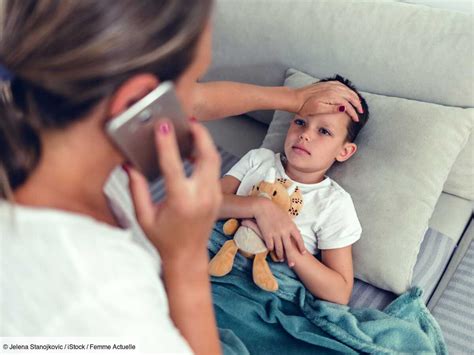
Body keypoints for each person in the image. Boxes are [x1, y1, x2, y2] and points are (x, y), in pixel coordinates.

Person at [0, 1, 363, 353]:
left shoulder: (59, 163)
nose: (194, 105)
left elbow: (199, 101)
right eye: (194, 81)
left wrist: (294, 98)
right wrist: (185, 262)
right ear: (137, 100)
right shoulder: (98, 290)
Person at [214, 75, 369, 305]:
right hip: (215, 257)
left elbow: (339, 292)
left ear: (344, 151)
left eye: (324, 131)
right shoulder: (259, 159)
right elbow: (202, 203)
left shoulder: (333, 203)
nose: (305, 134)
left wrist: (289, 247)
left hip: (265, 291)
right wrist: (258, 208)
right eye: (300, 122)